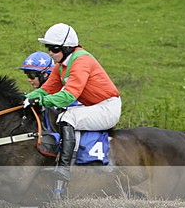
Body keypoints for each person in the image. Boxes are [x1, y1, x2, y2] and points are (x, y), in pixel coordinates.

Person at [24, 23, 121, 199]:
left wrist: (41, 100)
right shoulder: (61, 65)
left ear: (67, 48)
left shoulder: (82, 60)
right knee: (64, 116)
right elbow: (46, 89)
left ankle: (63, 169)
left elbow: (69, 96)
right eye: (49, 48)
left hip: (108, 108)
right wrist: (27, 97)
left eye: (54, 49)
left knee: (67, 117)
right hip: (94, 106)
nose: (51, 53)